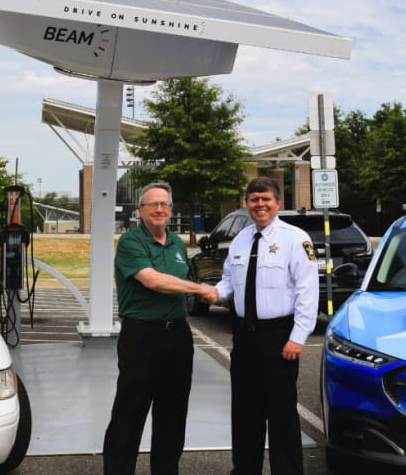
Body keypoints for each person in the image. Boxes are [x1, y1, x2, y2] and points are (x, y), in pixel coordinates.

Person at [102, 182, 219, 475]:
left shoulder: (177, 244)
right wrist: (200, 289)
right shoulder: (131, 242)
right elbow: (154, 281)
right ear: (140, 210)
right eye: (152, 204)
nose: (159, 209)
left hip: (177, 336)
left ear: (170, 210)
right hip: (142, 336)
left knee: (173, 413)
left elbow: (177, 281)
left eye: (164, 205)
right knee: (130, 413)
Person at [214, 177, 319, 475]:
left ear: (278, 203)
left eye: (266, 199)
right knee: (245, 413)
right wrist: (214, 292)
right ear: (246, 204)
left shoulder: (296, 239)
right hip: (245, 338)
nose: (259, 204)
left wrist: (297, 338)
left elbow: (308, 293)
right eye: (254, 200)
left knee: (282, 414)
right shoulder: (241, 239)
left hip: (279, 338)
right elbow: (228, 281)